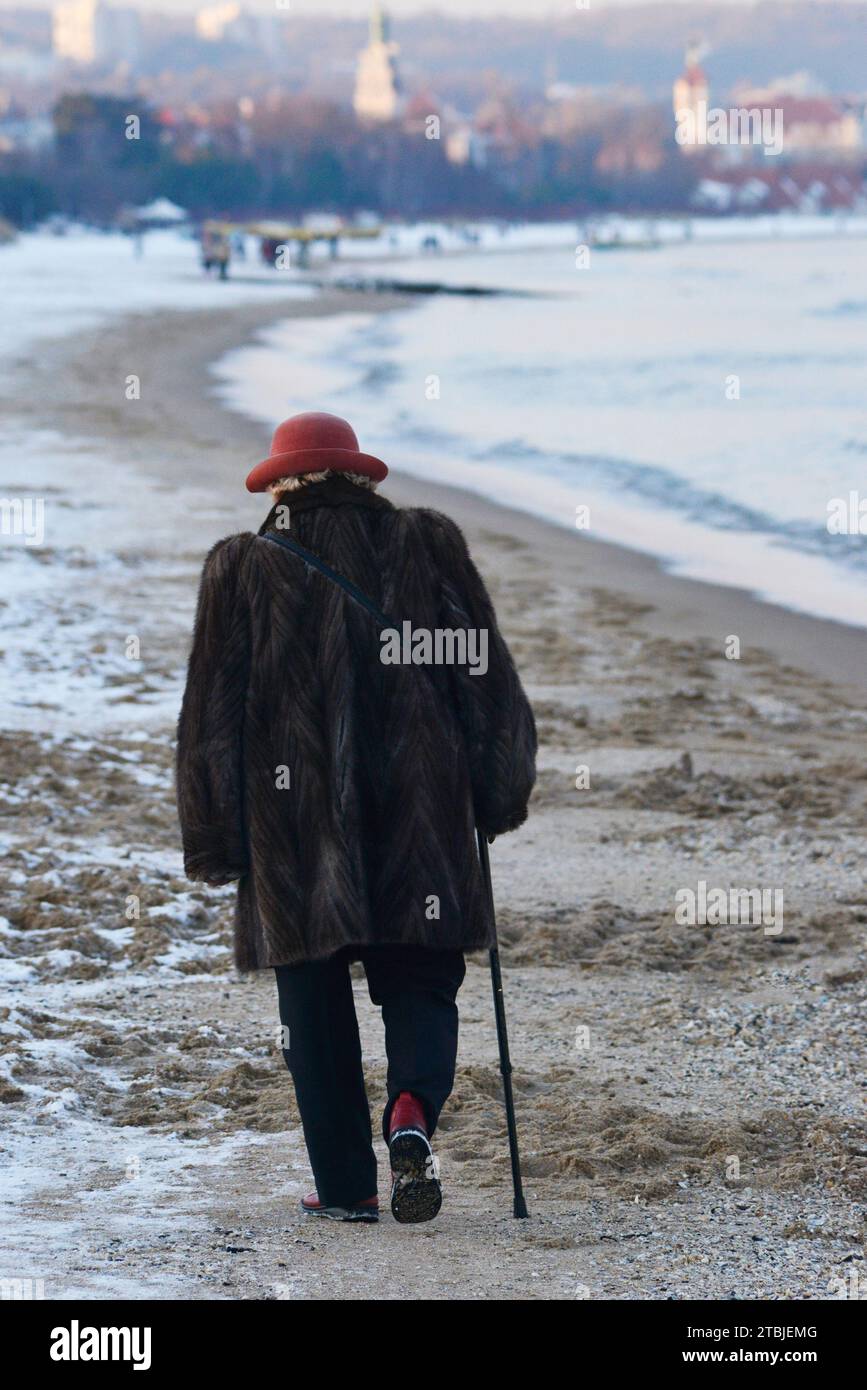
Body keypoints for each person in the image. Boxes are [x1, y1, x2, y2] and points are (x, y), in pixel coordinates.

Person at [176, 411, 536, 1224]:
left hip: (295, 827)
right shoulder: (425, 544)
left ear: (277, 487)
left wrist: (217, 840)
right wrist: (496, 788)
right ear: (362, 480)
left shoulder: (240, 567)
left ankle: (346, 1188)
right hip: (424, 812)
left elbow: (212, 719)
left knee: (311, 1006)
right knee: (419, 981)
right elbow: (484, 680)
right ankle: (409, 1109)